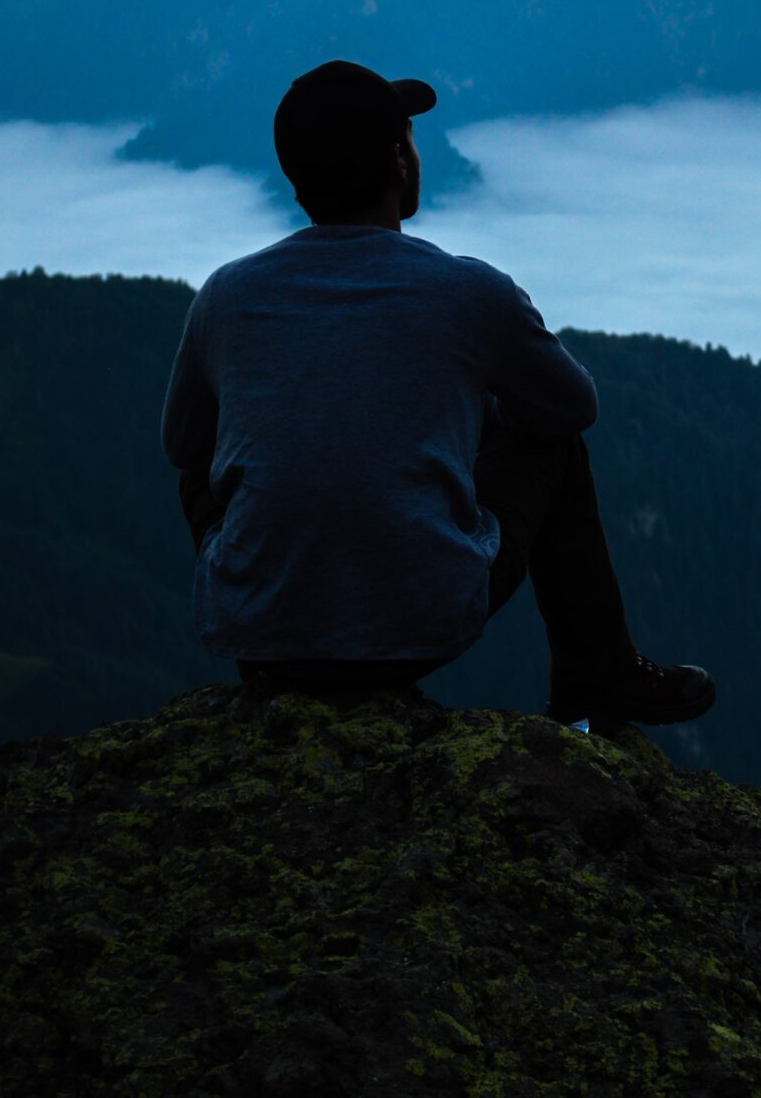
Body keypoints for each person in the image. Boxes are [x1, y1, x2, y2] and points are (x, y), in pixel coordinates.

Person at [161, 59, 715, 731]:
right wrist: (467, 415)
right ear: (399, 163)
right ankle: (600, 679)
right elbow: (573, 408)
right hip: (420, 622)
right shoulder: (468, 293)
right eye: (409, 141)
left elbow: (183, 446)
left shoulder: (226, 295)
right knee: (555, 447)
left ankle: (273, 616)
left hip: (257, 629)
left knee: (202, 459)